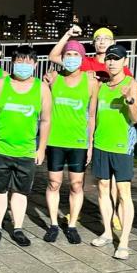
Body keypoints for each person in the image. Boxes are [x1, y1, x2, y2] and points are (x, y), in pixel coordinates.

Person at [48, 26, 131, 231]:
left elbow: (130, 89)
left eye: (106, 38)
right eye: (98, 38)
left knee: (114, 180)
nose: (102, 42)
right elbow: (54, 57)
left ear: (113, 42)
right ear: (93, 43)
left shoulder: (118, 63)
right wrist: (68, 35)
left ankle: (114, 215)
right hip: (90, 119)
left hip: (112, 121)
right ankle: (77, 213)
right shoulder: (86, 63)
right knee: (95, 179)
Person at [0, 45, 52, 247]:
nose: (23, 65)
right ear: (13, 62)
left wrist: (41, 148)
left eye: (28, 62)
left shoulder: (42, 88)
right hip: (0, 148)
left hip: (26, 150)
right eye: (19, 61)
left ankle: (18, 228)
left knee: (20, 191)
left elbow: (46, 120)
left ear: (35, 64)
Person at [88, 45, 137, 259]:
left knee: (123, 192)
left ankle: (124, 242)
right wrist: (91, 142)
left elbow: (136, 118)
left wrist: (129, 100)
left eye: (116, 59)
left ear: (125, 62)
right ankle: (108, 233)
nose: (112, 62)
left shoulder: (131, 84)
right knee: (102, 187)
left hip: (121, 146)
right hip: (101, 144)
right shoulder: (101, 86)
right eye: (109, 58)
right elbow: (93, 115)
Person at [43, 40, 96, 244]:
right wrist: (66, 36)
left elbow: (91, 116)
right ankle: (53, 224)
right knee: (54, 183)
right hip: (55, 139)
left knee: (76, 184)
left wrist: (90, 143)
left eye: (76, 55)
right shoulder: (54, 78)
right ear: (62, 58)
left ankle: (72, 225)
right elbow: (51, 56)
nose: (71, 59)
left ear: (82, 59)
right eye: (68, 55)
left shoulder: (90, 82)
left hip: (78, 141)